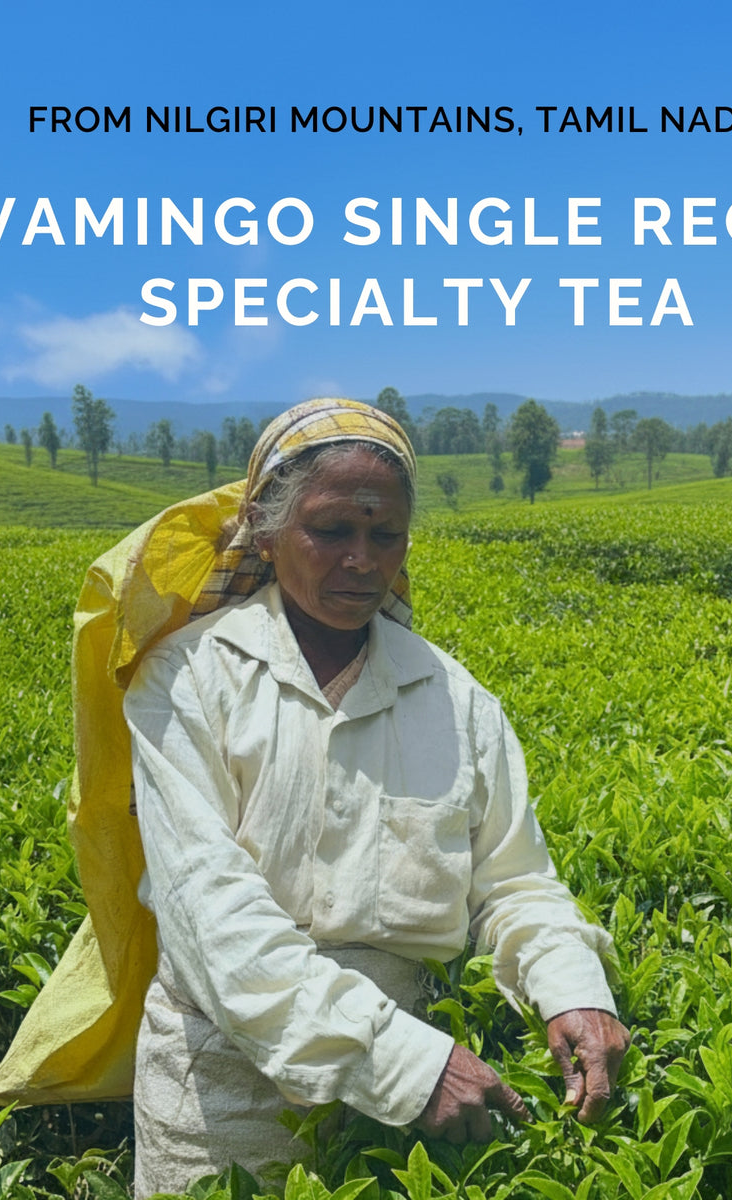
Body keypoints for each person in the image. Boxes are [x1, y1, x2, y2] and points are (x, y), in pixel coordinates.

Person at [120, 397, 628, 1195]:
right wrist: (402, 1064)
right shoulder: (189, 682)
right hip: (222, 1095)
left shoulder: (457, 702)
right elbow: (210, 915)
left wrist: (573, 990)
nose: (361, 559)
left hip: (409, 1109)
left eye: (383, 535)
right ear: (263, 527)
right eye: (331, 531)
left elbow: (515, 882)